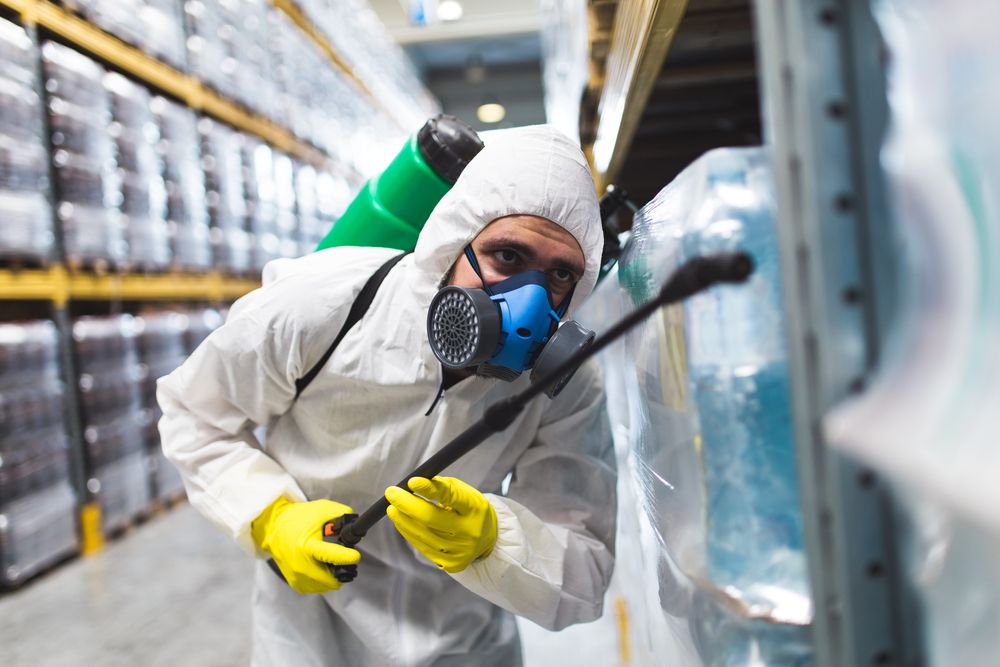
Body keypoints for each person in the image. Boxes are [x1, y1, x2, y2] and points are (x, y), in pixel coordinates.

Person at [157, 125, 617, 666]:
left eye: (560, 273)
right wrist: (271, 516)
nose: (530, 303)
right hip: (309, 634)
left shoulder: (564, 385)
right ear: (454, 241)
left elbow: (584, 571)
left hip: (464, 645)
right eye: (507, 258)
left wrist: (496, 541)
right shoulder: (325, 304)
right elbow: (197, 417)